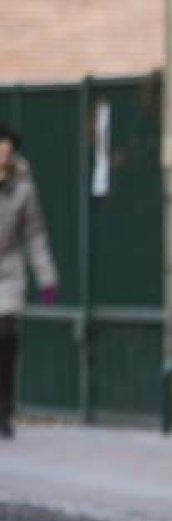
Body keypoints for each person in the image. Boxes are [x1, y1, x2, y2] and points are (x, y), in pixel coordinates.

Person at [0, 122, 57, 439]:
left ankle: (5, 410)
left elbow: (35, 235)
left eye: (8, 152)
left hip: (9, 270)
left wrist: (46, 277)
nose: (3, 158)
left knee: (6, 336)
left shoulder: (23, 189)